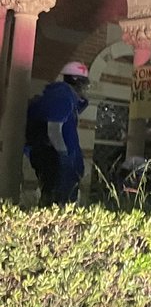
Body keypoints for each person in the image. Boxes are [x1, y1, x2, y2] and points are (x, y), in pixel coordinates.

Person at [25, 60, 90, 206]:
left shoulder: (64, 97)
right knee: (58, 201)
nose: (86, 89)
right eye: (85, 84)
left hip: (57, 159)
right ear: (77, 81)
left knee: (59, 199)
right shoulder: (62, 96)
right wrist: (64, 155)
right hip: (57, 160)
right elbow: (54, 129)